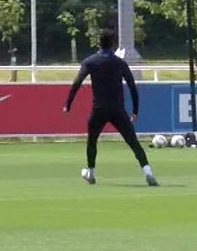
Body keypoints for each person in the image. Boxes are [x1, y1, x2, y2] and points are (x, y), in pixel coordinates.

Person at [63, 28, 158, 186]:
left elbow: (77, 83)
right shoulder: (120, 63)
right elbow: (132, 87)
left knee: (92, 141)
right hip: (117, 110)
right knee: (133, 142)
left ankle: (91, 172)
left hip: (99, 109)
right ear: (113, 44)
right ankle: (148, 171)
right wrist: (135, 110)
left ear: (98, 43)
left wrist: (68, 104)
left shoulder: (90, 62)